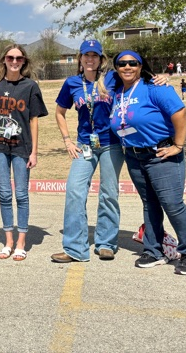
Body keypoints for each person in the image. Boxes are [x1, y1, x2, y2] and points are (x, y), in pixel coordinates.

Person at [110, 50, 186, 275]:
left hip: (162, 154)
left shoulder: (156, 88)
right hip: (134, 155)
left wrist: (178, 145)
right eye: (122, 64)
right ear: (116, 68)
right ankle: (154, 250)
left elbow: (179, 112)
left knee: (172, 205)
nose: (127, 67)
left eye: (133, 63)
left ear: (141, 66)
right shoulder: (117, 92)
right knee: (149, 203)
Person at [50, 40, 128, 264]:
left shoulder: (112, 78)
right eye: (86, 55)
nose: (90, 59)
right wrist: (67, 141)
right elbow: (59, 113)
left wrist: (160, 79)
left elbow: (138, 77)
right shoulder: (72, 83)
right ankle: (75, 248)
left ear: (101, 59)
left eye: (95, 55)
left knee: (109, 193)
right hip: (84, 145)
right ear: (80, 59)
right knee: (75, 191)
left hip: (111, 144)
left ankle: (106, 243)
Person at [0, 44, 48, 261]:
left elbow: (34, 121)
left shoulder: (30, 86)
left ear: (23, 62)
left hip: (22, 147)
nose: (14, 61)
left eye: (18, 58)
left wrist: (34, 152)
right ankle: (8, 241)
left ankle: (21, 242)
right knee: (4, 194)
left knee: (21, 194)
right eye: (10, 57)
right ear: (4, 60)